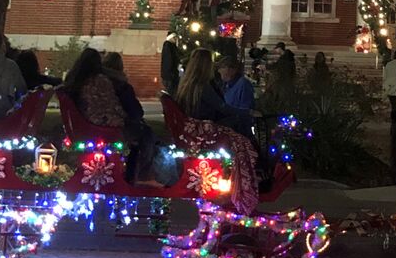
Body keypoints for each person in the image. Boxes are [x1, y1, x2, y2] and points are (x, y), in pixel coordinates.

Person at [63, 49, 164, 185]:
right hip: (105, 126)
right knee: (144, 134)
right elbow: (113, 106)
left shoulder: (74, 83)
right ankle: (133, 177)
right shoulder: (101, 82)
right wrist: (125, 118)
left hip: (82, 126)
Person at [175, 48, 256, 141]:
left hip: (193, 125)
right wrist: (249, 112)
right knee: (239, 121)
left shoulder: (186, 84)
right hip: (205, 126)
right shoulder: (202, 86)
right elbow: (222, 107)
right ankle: (250, 149)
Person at [160, 30, 181, 96]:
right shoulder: (168, 45)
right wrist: (170, 74)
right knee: (171, 92)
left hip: (170, 75)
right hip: (169, 75)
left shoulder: (171, 46)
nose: (176, 39)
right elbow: (168, 60)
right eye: (174, 37)